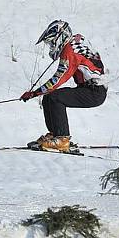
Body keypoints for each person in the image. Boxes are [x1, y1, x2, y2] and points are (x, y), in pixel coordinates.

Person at [20, 20, 108, 153]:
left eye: (51, 42)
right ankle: (55, 135)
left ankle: (62, 139)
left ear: (59, 37)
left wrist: (34, 93)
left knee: (55, 97)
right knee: (49, 97)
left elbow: (58, 79)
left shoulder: (70, 50)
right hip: (91, 88)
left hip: (94, 92)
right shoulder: (75, 43)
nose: (51, 46)